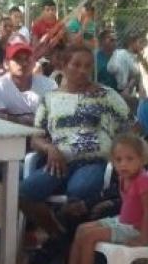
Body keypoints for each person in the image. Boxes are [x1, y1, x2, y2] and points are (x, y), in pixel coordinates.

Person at [22, 47, 130, 238]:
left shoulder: (106, 95)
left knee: (79, 190)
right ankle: (57, 236)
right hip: (58, 162)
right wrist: (50, 148)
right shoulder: (50, 98)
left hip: (94, 161)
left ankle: (72, 246)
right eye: (76, 65)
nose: (83, 70)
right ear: (63, 66)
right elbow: (36, 138)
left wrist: (118, 152)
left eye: (88, 66)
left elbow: (133, 126)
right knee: (23, 193)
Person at [53, 135, 148, 264]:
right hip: (122, 221)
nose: (123, 164)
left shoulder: (144, 181)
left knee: (89, 237)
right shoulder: (124, 177)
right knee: (81, 230)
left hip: (134, 229)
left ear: (142, 159)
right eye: (118, 160)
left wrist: (144, 239)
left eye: (130, 159)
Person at [0, 41, 58, 124]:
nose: (24, 63)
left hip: (42, 135)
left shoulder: (49, 85)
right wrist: (26, 119)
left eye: (27, 59)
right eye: (17, 59)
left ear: (34, 63)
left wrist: (11, 118)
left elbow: (55, 116)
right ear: (6, 63)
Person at [108, 31, 148, 99]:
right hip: (120, 94)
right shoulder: (120, 54)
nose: (141, 46)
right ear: (132, 43)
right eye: (139, 42)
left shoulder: (136, 57)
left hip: (134, 95)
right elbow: (111, 69)